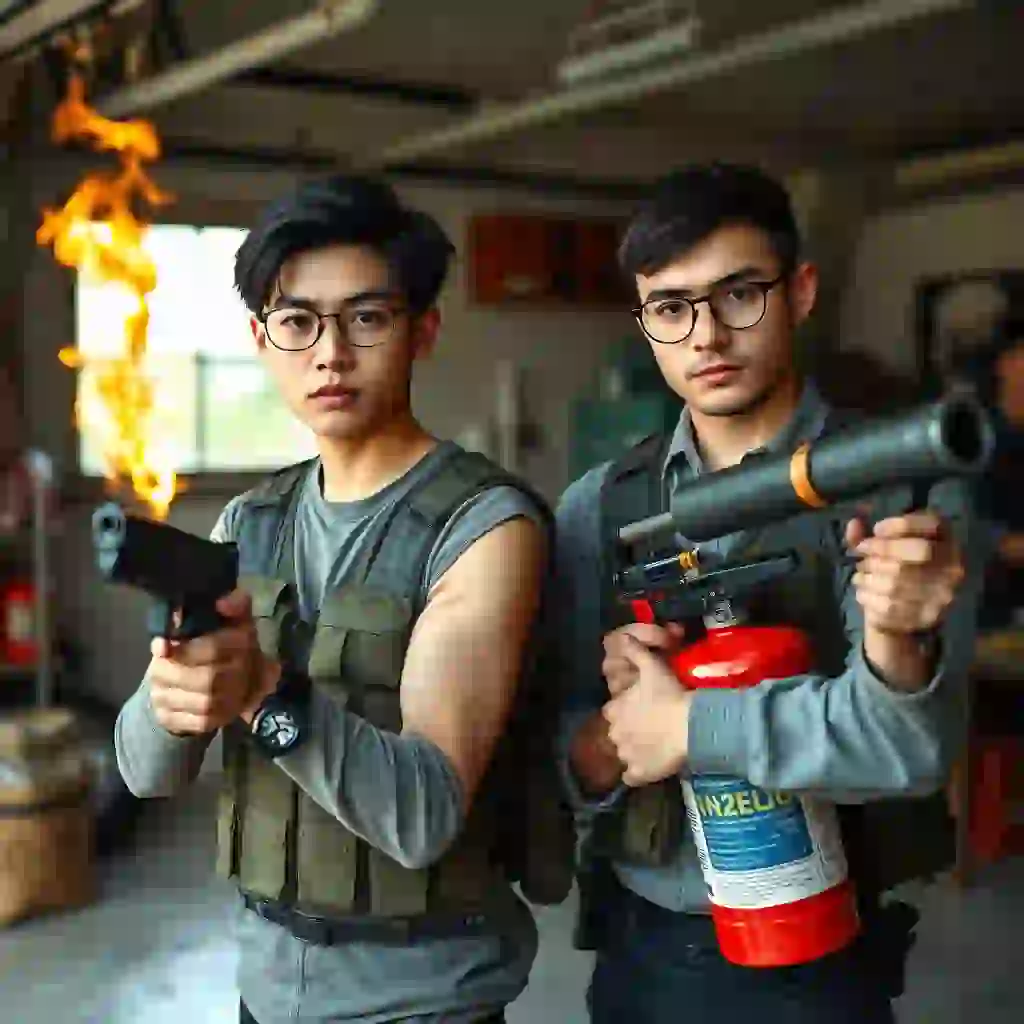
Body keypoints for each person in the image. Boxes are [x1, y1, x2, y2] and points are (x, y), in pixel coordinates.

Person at [114, 175, 569, 1024]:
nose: (330, 352)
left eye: (367, 317)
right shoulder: (248, 522)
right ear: (262, 337)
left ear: (422, 329)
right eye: (298, 323)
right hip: (263, 991)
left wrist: (260, 690)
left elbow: (427, 813)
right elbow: (144, 774)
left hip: (427, 1004)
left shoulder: (486, 527)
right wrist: (173, 697)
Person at [551, 163, 980, 1023]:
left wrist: (689, 726)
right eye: (671, 308)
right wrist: (612, 737)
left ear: (802, 291)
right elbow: (554, 755)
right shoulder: (604, 505)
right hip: (646, 942)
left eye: (739, 293)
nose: (706, 335)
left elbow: (909, 750)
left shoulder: (898, 491)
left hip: (821, 956)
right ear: (646, 325)